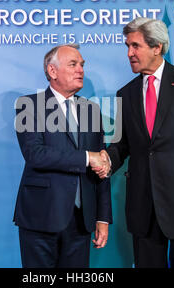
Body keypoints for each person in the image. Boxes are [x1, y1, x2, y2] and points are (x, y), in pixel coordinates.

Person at [94, 18, 174, 268]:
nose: (129, 53)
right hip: (144, 209)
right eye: (127, 47)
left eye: (135, 46)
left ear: (157, 47)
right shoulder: (126, 93)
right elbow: (123, 145)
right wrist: (107, 159)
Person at [13, 44, 112, 268]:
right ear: (52, 71)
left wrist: (103, 217)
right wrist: (88, 157)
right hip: (41, 217)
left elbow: (102, 165)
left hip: (81, 221)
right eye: (73, 64)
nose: (80, 70)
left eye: (82, 65)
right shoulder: (28, 106)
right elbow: (35, 154)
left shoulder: (92, 110)